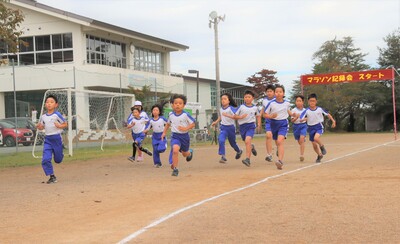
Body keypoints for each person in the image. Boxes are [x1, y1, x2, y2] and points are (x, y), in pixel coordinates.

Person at [264, 84, 298, 170]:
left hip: (283, 123)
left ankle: (280, 161)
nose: (278, 93)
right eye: (277, 92)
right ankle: (278, 153)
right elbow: (265, 114)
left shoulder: (287, 103)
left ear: (283, 93)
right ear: (274, 93)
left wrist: (292, 114)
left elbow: (288, 111)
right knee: (276, 141)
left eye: (280, 92)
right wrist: (271, 116)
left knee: (280, 141)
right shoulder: (271, 103)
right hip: (273, 124)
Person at [36, 95, 68, 184]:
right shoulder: (43, 117)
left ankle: (60, 153)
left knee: (58, 160)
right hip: (48, 140)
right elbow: (42, 126)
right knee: (45, 160)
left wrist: (59, 126)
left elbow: (65, 124)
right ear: (45, 104)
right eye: (47, 102)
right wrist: (39, 127)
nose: (49, 104)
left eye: (51, 102)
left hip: (57, 139)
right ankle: (52, 176)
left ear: (56, 104)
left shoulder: (57, 115)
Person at [161, 94, 195, 176]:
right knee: (175, 150)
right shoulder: (171, 115)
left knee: (184, 154)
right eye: (176, 103)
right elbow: (168, 124)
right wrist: (164, 132)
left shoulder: (185, 115)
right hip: (175, 136)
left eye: (180, 103)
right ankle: (175, 169)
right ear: (172, 105)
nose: (178, 105)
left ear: (184, 105)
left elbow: (193, 124)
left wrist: (186, 128)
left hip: (184, 137)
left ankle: (189, 153)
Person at [300, 93, 336, 163]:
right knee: (314, 145)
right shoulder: (306, 110)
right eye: (310, 101)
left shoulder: (319, 109)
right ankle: (319, 155)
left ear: (316, 101)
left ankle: (322, 146)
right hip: (310, 128)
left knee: (316, 138)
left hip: (318, 126)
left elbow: (328, 114)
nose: (312, 102)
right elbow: (301, 117)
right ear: (308, 102)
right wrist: (303, 119)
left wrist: (333, 121)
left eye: (313, 101)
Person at [211, 92, 243, 164]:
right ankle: (223, 156)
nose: (223, 100)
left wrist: (227, 115)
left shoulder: (231, 108)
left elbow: (235, 117)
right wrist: (216, 122)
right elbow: (221, 117)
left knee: (233, 143)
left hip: (231, 128)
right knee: (221, 140)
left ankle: (239, 151)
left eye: (225, 99)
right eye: (222, 99)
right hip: (223, 127)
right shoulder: (221, 109)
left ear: (229, 101)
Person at [233, 90, 261, 167]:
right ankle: (251, 146)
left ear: (252, 98)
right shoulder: (241, 107)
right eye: (246, 97)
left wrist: (258, 124)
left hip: (251, 126)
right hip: (242, 127)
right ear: (244, 98)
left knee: (247, 140)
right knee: (246, 142)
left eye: (249, 97)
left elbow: (258, 115)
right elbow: (234, 116)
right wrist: (240, 117)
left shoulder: (255, 108)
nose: (247, 98)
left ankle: (247, 159)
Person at [144, 103, 168, 168]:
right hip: (155, 136)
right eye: (154, 110)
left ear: (159, 112)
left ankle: (165, 145)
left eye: (157, 110)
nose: (155, 111)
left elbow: (168, 123)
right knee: (155, 150)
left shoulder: (162, 118)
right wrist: (143, 131)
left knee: (161, 149)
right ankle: (157, 163)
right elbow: (147, 128)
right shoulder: (151, 120)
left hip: (161, 136)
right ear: (152, 111)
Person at [261, 84, 276, 162]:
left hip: (277, 121)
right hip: (268, 121)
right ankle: (269, 155)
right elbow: (263, 110)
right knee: (268, 135)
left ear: (274, 92)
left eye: (271, 91)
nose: (269, 93)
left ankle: (278, 148)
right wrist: (259, 120)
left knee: (277, 140)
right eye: (267, 91)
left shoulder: (278, 99)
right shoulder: (264, 100)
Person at [291, 95, 307, 162]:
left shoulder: (305, 110)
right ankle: (302, 142)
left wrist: (303, 119)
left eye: (300, 101)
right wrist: (296, 117)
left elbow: (308, 118)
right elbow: (292, 120)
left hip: (303, 125)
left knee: (301, 139)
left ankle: (301, 155)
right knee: (299, 141)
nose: (298, 102)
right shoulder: (293, 110)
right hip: (296, 126)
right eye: (297, 101)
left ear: (303, 102)